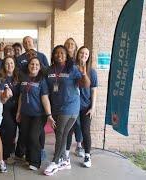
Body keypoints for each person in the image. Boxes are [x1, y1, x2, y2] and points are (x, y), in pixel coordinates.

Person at [43, 45, 90, 176]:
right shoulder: (49, 70)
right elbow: (47, 88)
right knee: (62, 134)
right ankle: (66, 160)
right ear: (53, 55)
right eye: (57, 53)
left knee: (60, 133)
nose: (59, 55)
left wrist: (84, 74)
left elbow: (85, 84)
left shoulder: (72, 68)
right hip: (56, 107)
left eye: (62, 53)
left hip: (70, 106)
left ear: (66, 55)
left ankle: (55, 162)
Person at [16, 57, 53, 171]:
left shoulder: (42, 80)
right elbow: (21, 96)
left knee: (33, 136)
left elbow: (45, 98)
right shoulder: (24, 78)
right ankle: (28, 158)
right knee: (26, 136)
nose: (34, 66)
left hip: (38, 115)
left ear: (40, 67)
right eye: (32, 64)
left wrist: (49, 115)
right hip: (26, 113)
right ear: (28, 66)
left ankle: (36, 162)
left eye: (37, 64)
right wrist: (18, 112)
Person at [66, 46, 98, 168]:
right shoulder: (71, 69)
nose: (84, 55)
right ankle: (66, 155)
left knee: (85, 131)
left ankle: (87, 155)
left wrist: (93, 107)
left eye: (86, 54)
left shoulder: (92, 72)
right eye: (82, 53)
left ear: (88, 57)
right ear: (77, 54)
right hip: (72, 106)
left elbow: (94, 90)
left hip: (85, 106)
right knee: (69, 130)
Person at [0, 56, 19, 163]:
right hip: (5, 108)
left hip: (17, 108)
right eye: (7, 63)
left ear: (14, 65)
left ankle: (12, 152)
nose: (9, 65)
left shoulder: (18, 78)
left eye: (11, 63)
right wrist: (5, 94)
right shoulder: (1, 79)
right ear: (4, 66)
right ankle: (5, 155)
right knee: (8, 130)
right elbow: (1, 96)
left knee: (14, 131)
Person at [64, 38, 84, 156]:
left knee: (77, 122)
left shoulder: (78, 61)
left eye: (72, 44)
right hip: (65, 95)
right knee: (67, 124)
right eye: (67, 44)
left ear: (75, 47)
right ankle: (65, 148)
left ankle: (79, 145)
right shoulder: (62, 59)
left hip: (77, 95)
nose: (70, 46)